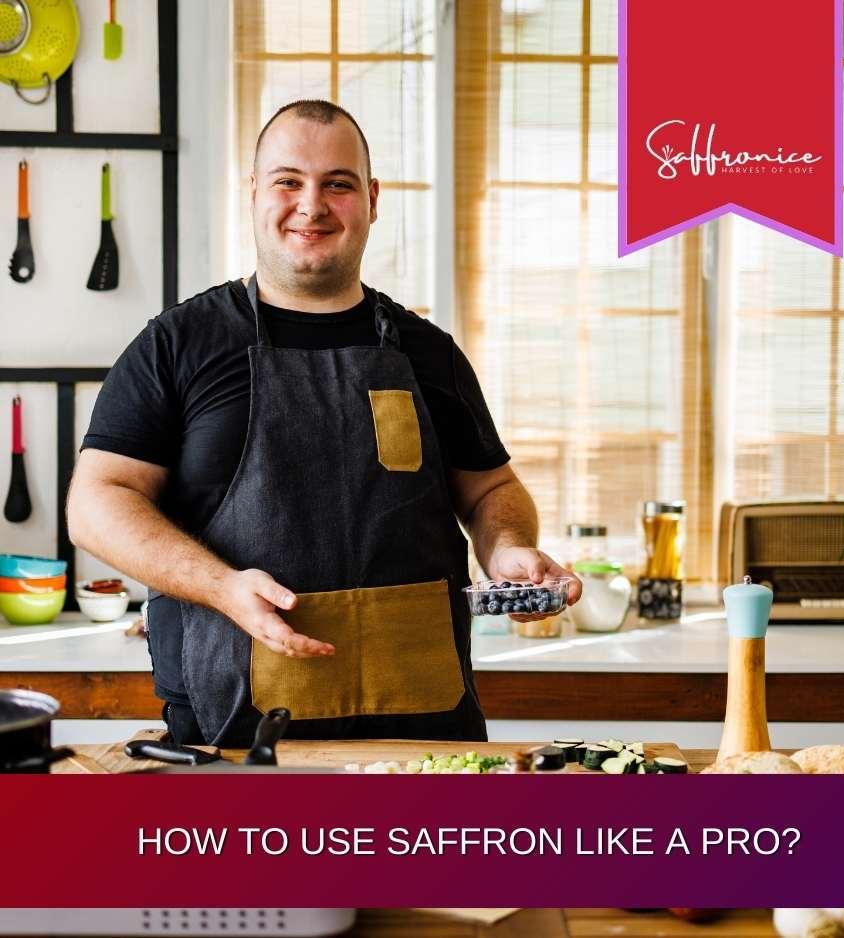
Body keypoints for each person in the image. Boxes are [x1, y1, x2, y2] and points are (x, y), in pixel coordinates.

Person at [67, 99, 581, 748]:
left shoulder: (428, 352)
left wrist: (506, 547)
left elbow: (490, 491)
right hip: (231, 742)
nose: (311, 205)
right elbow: (96, 502)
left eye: (337, 184)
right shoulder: (177, 345)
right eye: (288, 181)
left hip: (422, 742)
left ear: (371, 199)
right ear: (254, 193)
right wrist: (221, 586)